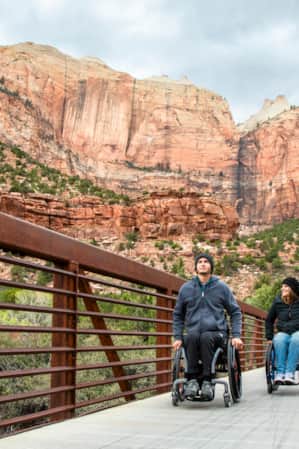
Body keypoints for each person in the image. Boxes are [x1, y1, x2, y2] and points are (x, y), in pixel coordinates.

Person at [173, 253, 243, 399]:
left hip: (217, 333)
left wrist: (236, 336)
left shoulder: (222, 287)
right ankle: (191, 380)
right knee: (190, 336)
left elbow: (235, 312)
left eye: (206, 261)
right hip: (194, 333)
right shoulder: (186, 288)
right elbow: (178, 314)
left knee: (206, 337)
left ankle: (207, 380)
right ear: (196, 267)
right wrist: (178, 337)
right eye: (200, 262)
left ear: (211, 266)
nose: (203, 263)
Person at [265, 277, 299, 385]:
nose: (282, 288)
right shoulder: (277, 302)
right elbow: (269, 320)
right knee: (278, 339)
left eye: (285, 286)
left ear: (292, 289)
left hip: (297, 332)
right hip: (283, 332)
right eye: (282, 286)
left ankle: (290, 373)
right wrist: (269, 337)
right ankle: (280, 374)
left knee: (296, 339)